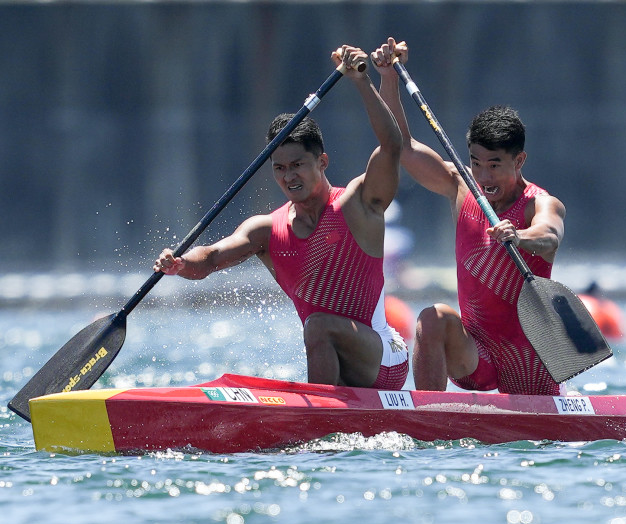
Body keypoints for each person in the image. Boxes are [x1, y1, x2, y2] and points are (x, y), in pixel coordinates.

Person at [155, 44, 408, 390]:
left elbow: (392, 147)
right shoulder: (266, 230)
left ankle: (318, 429)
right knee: (318, 328)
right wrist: (181, 263)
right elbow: (211, 258)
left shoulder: (357, 204)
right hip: (338, 360)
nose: (289, 177)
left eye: (298, 165)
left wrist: (362, 82)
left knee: (317, 325)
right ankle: (325, 421)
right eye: (279, 168)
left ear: (322, 162)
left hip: (385, 359)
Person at [372, 38, 566, 396]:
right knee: (432, 318)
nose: (484, 176)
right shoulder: (460, 186)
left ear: (519, 161)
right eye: (476, 163)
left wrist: (520, 237)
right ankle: (428, 417)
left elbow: (549, 236)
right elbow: (402, 146)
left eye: (495, 165)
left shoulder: (539, 204)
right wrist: (388, 78)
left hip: (529, 361)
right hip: (476, 355)